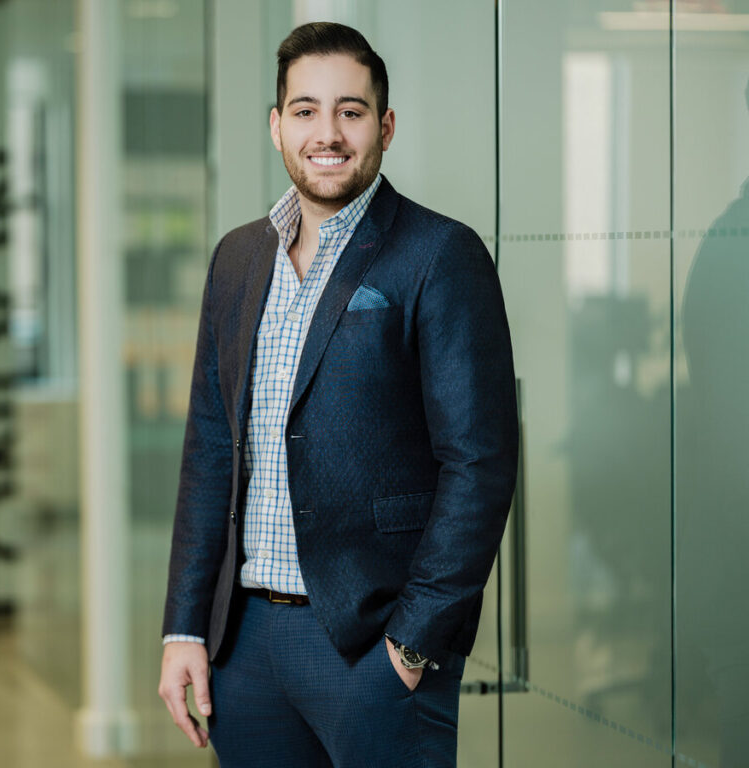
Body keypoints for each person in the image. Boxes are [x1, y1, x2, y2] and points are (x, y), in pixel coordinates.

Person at [158, 21, 518, 768]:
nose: (328, 132)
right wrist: (185, 629)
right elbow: (211, 449)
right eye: (306, 110)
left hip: (372, 648)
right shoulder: (236, 258)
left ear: (384, 126)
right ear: (275, 125)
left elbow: (479, 463)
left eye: (350, 111)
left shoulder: (440, 254)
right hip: (243, 647)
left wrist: (412, 642)